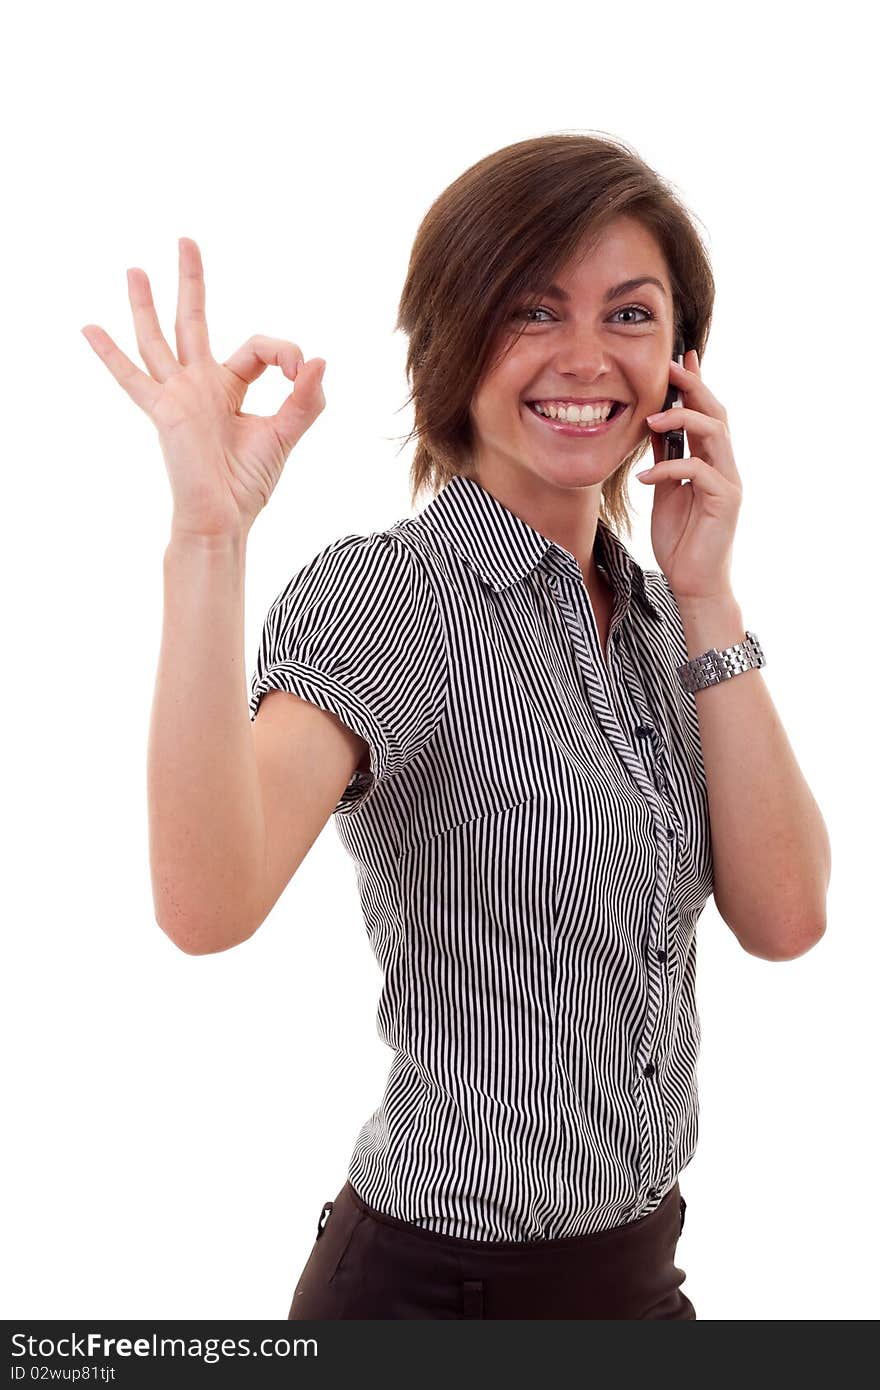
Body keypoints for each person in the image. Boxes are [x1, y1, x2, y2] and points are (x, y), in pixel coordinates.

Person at [82, 132, 831, 1320]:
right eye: (533, 310)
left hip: (642, 1285)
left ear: (681, 364)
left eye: (630, 316)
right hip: (440, 1297)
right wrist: (209, 540)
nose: (586, 357)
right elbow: (206, 903)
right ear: (453, 340)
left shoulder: (652, 620)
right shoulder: (393, 602)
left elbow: (786, 919)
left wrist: (708, 596)